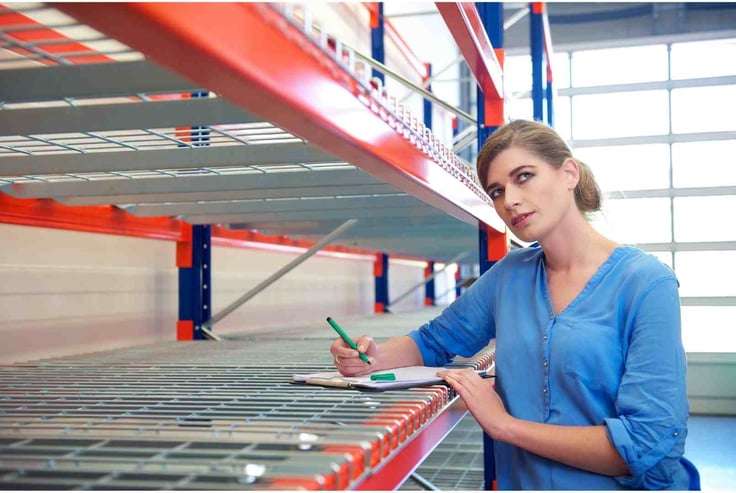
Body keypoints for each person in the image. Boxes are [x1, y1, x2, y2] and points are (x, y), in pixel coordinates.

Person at [330, 119, 692, 490]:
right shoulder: (510, 276)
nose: (510, 201)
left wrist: (505, 426)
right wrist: (371, 357)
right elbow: (433, 341)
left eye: (524, 177)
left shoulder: (646, 284)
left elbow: (648, 445)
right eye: (497, 191)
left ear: (569, 173)